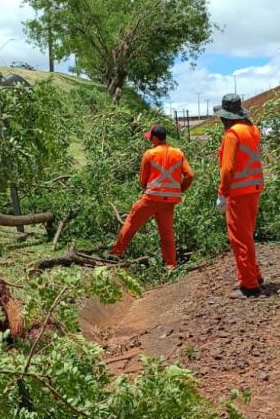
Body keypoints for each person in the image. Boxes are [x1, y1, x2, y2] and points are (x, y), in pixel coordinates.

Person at [111, 124, 194, 268]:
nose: (150, 141)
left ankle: (115, 254)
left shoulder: (149, 154)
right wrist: (178, 190)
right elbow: (190, 175)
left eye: (151, 138)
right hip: (169, 202)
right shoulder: (178, 153)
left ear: (155, 139)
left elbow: (143, 181)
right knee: (167, 233)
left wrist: (151, 190)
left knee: (131, 223)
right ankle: (171, 265)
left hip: (151, 198)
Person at [213, 94, 265, 298]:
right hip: (253, 189)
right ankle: (254, 275)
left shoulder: (232, 134)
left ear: (226, 117)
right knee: (247, 236)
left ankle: (249, 285)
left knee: (240, 239)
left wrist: (222, 193)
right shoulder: (251, 130)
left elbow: (227, 169)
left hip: (238, 192)